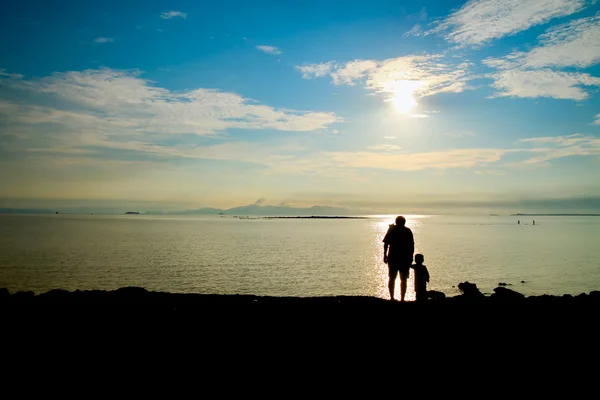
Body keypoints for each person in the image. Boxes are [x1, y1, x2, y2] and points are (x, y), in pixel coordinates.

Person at [382, 215, 414, 301]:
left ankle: (394, 298)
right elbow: (411, 246)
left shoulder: (393, 230)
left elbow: (385, 244)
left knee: (394, 278)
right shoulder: (406, 231)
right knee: (401, 279)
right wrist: (411, 257)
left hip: (396, 257)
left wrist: (385, 255)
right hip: (401, 257)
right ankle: (400, 298)